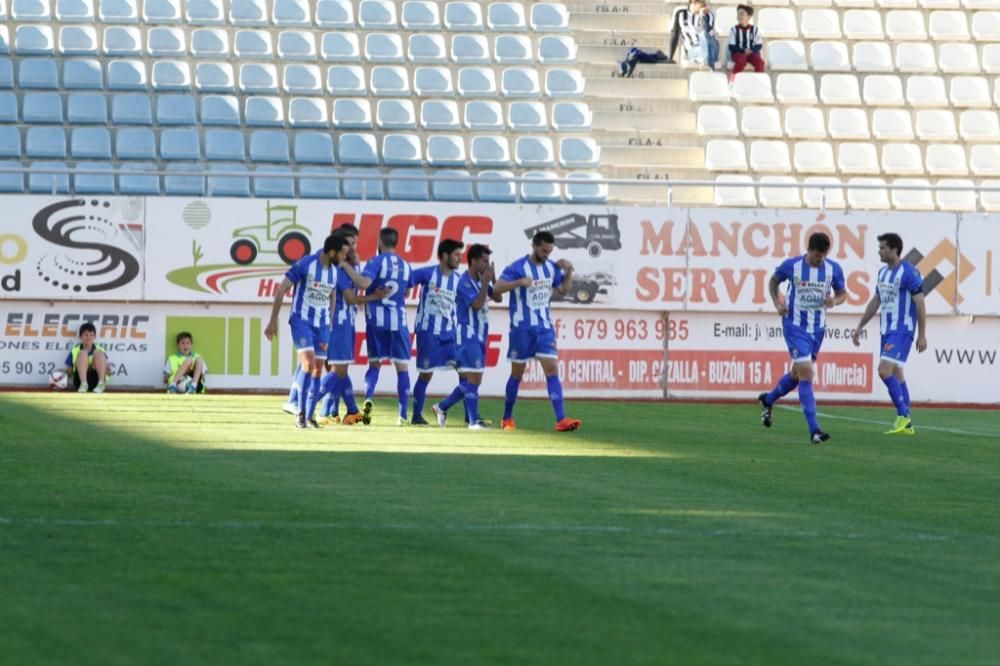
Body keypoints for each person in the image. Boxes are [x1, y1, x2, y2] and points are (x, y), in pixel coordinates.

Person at [757, 232, 847, 444]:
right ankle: (815, 430)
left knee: (797, 375)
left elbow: (843, 293)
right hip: (794, 325)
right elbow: (773, 282)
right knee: (807, 373)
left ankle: (768, 400)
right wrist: (778, 304)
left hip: (818, 328)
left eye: (822, 257)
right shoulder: (792, 266)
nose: (819, 260)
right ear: (809, 250)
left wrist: (835, 300)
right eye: (816, 256)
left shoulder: (833, 269)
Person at [493, 231, 581, 432]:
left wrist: (569, 272)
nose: (547, 254)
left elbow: (564, 289)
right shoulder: (517, 267)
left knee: (552, 370)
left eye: (550, 251)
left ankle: (561, 419)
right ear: (534, 246)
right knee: (517, 373)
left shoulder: (551, 267)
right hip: (521, 330)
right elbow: (497, 288)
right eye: (543, 250)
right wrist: (518, 283)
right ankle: (507, 419)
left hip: (544, 329)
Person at [265, 233, 350, 429]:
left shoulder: (335, 271)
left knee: (317, 369)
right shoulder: (306, 264)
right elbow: (282, 289)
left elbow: (332, 294)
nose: (344, 258)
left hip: (322, 325)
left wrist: (329, 320)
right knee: (308, 362)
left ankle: (310, 416)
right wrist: (272, 320)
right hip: (301, 320)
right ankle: (300, 413)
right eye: (342, 254)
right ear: (331, 252)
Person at [851, 233, 927, 435]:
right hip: (886, 330)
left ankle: (903, 416)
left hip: (902, 330)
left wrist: (922, 334)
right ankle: (907, 425)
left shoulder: (909, 272)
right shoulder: (883, 273)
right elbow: (876, 301)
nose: (879, 251)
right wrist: (860, 326)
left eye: (883, 247)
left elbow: (920, 303)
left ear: (894, 250)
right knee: (896, 373)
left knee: (884, 370)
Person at [317, 225, 383, 426]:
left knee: (339, 371)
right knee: (338, 371)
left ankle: (349, 411)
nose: (354, 247)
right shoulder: (340, 269)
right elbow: (351, 298)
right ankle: (310, 406)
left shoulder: (346, 265)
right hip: (339, 323)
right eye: (351, 243)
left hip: (342, 323)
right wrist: (375, 296)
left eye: (355, 242)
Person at [432, 244, 501, 430]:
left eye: (488, 262)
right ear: (474, 261)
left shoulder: (481, 279)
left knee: (469, 381)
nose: (487, 265)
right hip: (467, 335)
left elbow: (499, 298)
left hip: (479, 336)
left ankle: (442, 407)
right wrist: (486, 283)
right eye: (484, 261)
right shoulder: (463, 282)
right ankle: (472, 422)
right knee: (474, 380)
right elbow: (477, 305)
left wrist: (492, 279)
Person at [361, 227, 414, 426]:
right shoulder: (406, 266)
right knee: (402, 368)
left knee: (375, 364)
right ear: (396, 243)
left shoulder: (375, 262)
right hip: (398, 322)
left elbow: (365, 283)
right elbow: (407, 293)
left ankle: (368, 401)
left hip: (376, 321)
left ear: (380, 243)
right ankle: (402, 415)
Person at [409, 239, 465, 426]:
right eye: (456, 254)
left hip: (450, 335)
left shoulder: (459, 280)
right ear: (445, 256)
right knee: (426, 375)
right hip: (428, 333)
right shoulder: (428, 273)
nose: (460, 258)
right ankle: (416, 416)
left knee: (467, 373)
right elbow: (405, 281)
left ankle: (464, 414)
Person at [64, 322, 109, 393]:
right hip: (79, 381)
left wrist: (107, 369)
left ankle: (101, 384)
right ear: (80, 337)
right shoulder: (74, 350)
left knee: (98, 352)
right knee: (83, 352)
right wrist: (62, 373)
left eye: (91, 335)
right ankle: (84, 384)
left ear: (94, 337)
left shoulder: (101, 350)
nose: (89, 338)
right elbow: (69, 372)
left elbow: (108, 371)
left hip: (96, 381)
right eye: (86, 335)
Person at [728, 4, 764, 81]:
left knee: (760, 62)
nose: (739, 16)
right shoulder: (734, 30)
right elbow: (731, 46)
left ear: (749, 17)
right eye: (738, 14)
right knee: (741, 61)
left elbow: (759, 45)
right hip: (738, 52)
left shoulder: (754, 29)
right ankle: (732, 81)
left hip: (752, 52)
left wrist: (752, 50)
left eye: (742, 14)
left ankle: (758, 81)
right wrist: (743, 51)